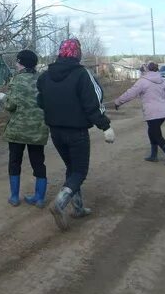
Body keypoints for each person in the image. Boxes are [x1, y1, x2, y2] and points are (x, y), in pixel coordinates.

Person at [36, 38, 115, 231]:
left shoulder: (45, 76)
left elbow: (40, 101)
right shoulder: (82, 75)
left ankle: (78, 208)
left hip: (55, 132)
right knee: (79, 171)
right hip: (76, 132)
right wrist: (105, 127)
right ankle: (59, 204)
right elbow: (93, 104)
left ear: (60, 53)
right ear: (77, 54)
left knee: (72, 168)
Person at [0, 50, 49, 207]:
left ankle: (14, 197)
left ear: (22, 63)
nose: (16, 65)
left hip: (18, 131)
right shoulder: (42, 80)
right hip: (38, 130)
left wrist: (3, 98)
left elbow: (11, 106)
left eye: (18, 62)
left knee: (14, 162)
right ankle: (39, 199)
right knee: (38, 162)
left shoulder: (16, 80)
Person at [114, 61, 165, 165]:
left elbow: (131, 93)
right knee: (152, 132)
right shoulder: (162, 81)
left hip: (152, 113)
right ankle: (153, 155)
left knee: (156, 134)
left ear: (146, 70)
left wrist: (118, 102)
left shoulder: (143, 81)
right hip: (162, 112)